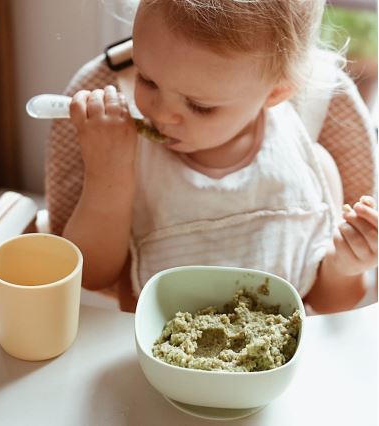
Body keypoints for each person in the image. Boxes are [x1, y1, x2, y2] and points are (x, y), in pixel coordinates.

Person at [62, 0, 377, 314]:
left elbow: (330, 303)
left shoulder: (309, 167)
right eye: (147, 80)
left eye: (199, 106)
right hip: (150, 355)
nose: (161, 114)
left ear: (275, 94)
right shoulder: (127, 157)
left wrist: (344, 265)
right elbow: (90, 276)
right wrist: (107, 173)